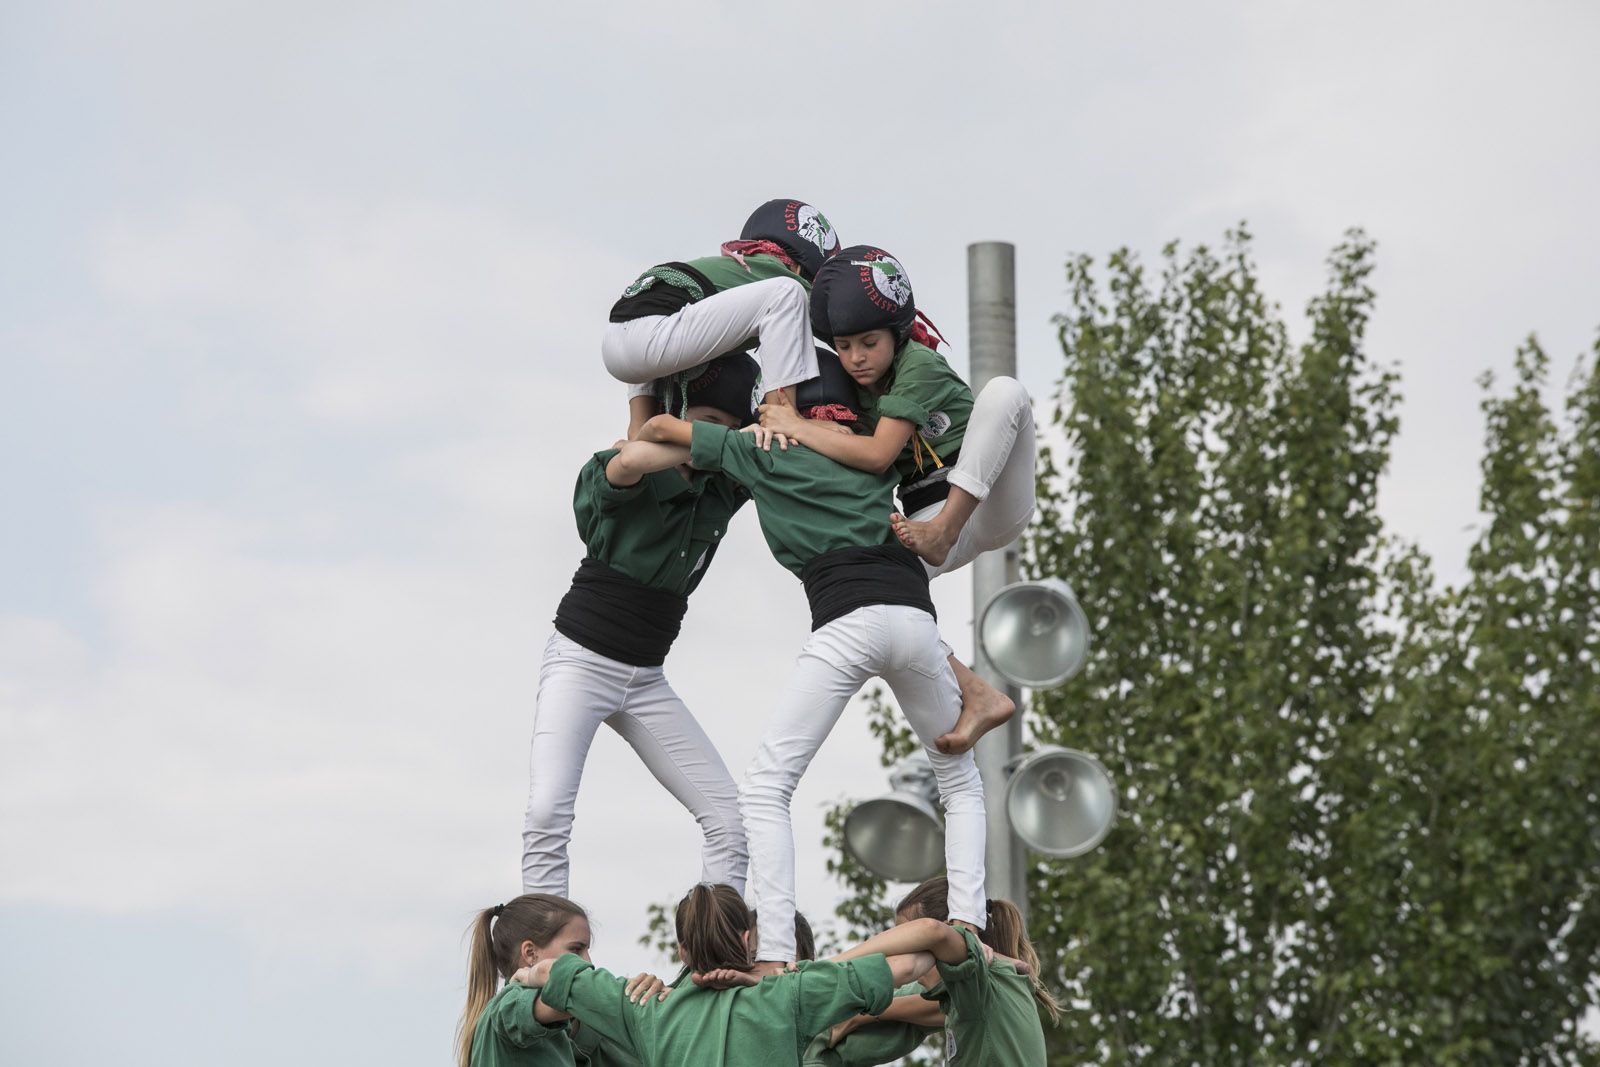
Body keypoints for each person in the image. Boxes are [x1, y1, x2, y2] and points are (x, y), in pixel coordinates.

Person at [634, 353, 987, 969]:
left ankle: (774, 952)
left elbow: (659, 430)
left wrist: (746, 429)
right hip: (915, 619)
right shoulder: (867, 449)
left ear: (784, 404)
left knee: (766, 789)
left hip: (846, 621)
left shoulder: (762, 448)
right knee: (960, 782)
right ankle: (970, 926)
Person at [758, 244, 1036, 754]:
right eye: (844, 346)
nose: (856, 358)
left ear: (896, 334)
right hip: (924, 513)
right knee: (874, 591)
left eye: (869, 343)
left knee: (1004, 391)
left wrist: (796, 424)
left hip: (986, 499)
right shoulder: (855, 387)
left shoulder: (918, 364)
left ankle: (946, 528)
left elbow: (878, 454)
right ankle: (977, 692)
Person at [521, 353, 760, 899]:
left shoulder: (724, 485)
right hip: (581, 660)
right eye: (705, 421)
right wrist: (711, 442)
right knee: (548, 810)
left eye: (727, 426)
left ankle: (718, 943)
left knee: (730, 819)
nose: (715, 436)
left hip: (646, 677)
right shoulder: (623, 463)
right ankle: (544, 944)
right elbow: (629, 461)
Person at [512, 883, 934, 1067]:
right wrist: (805, 973)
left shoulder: (646, 1009)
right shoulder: (790, 995)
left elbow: (557, 972)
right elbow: (911, 963)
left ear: (681, 951)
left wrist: (527, 978)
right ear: (750, 940)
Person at [607, 199, 841, 437]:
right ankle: (782, 418)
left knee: (659, 312)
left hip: (620, 340)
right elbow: (840, 318)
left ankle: (637, 429)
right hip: (651, 335)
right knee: (789, 293)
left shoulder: (734, 271)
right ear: (799, 270)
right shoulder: (777, 271)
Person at [828, 876, 1062, 1066]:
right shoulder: (982, 989)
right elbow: (918, 1002)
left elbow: (933, 932)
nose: (905, 961)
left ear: (951, 934)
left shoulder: (977, 984)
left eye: (911, 947)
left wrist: (829, 970)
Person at [456, 894, 667, 1067]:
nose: (588, 962)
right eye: (575, 950)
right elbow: (585, 998)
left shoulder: (563, 1029)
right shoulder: (510, 1004)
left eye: (586, 950)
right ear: (530, 953)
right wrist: (542, 974)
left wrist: (649, 994)